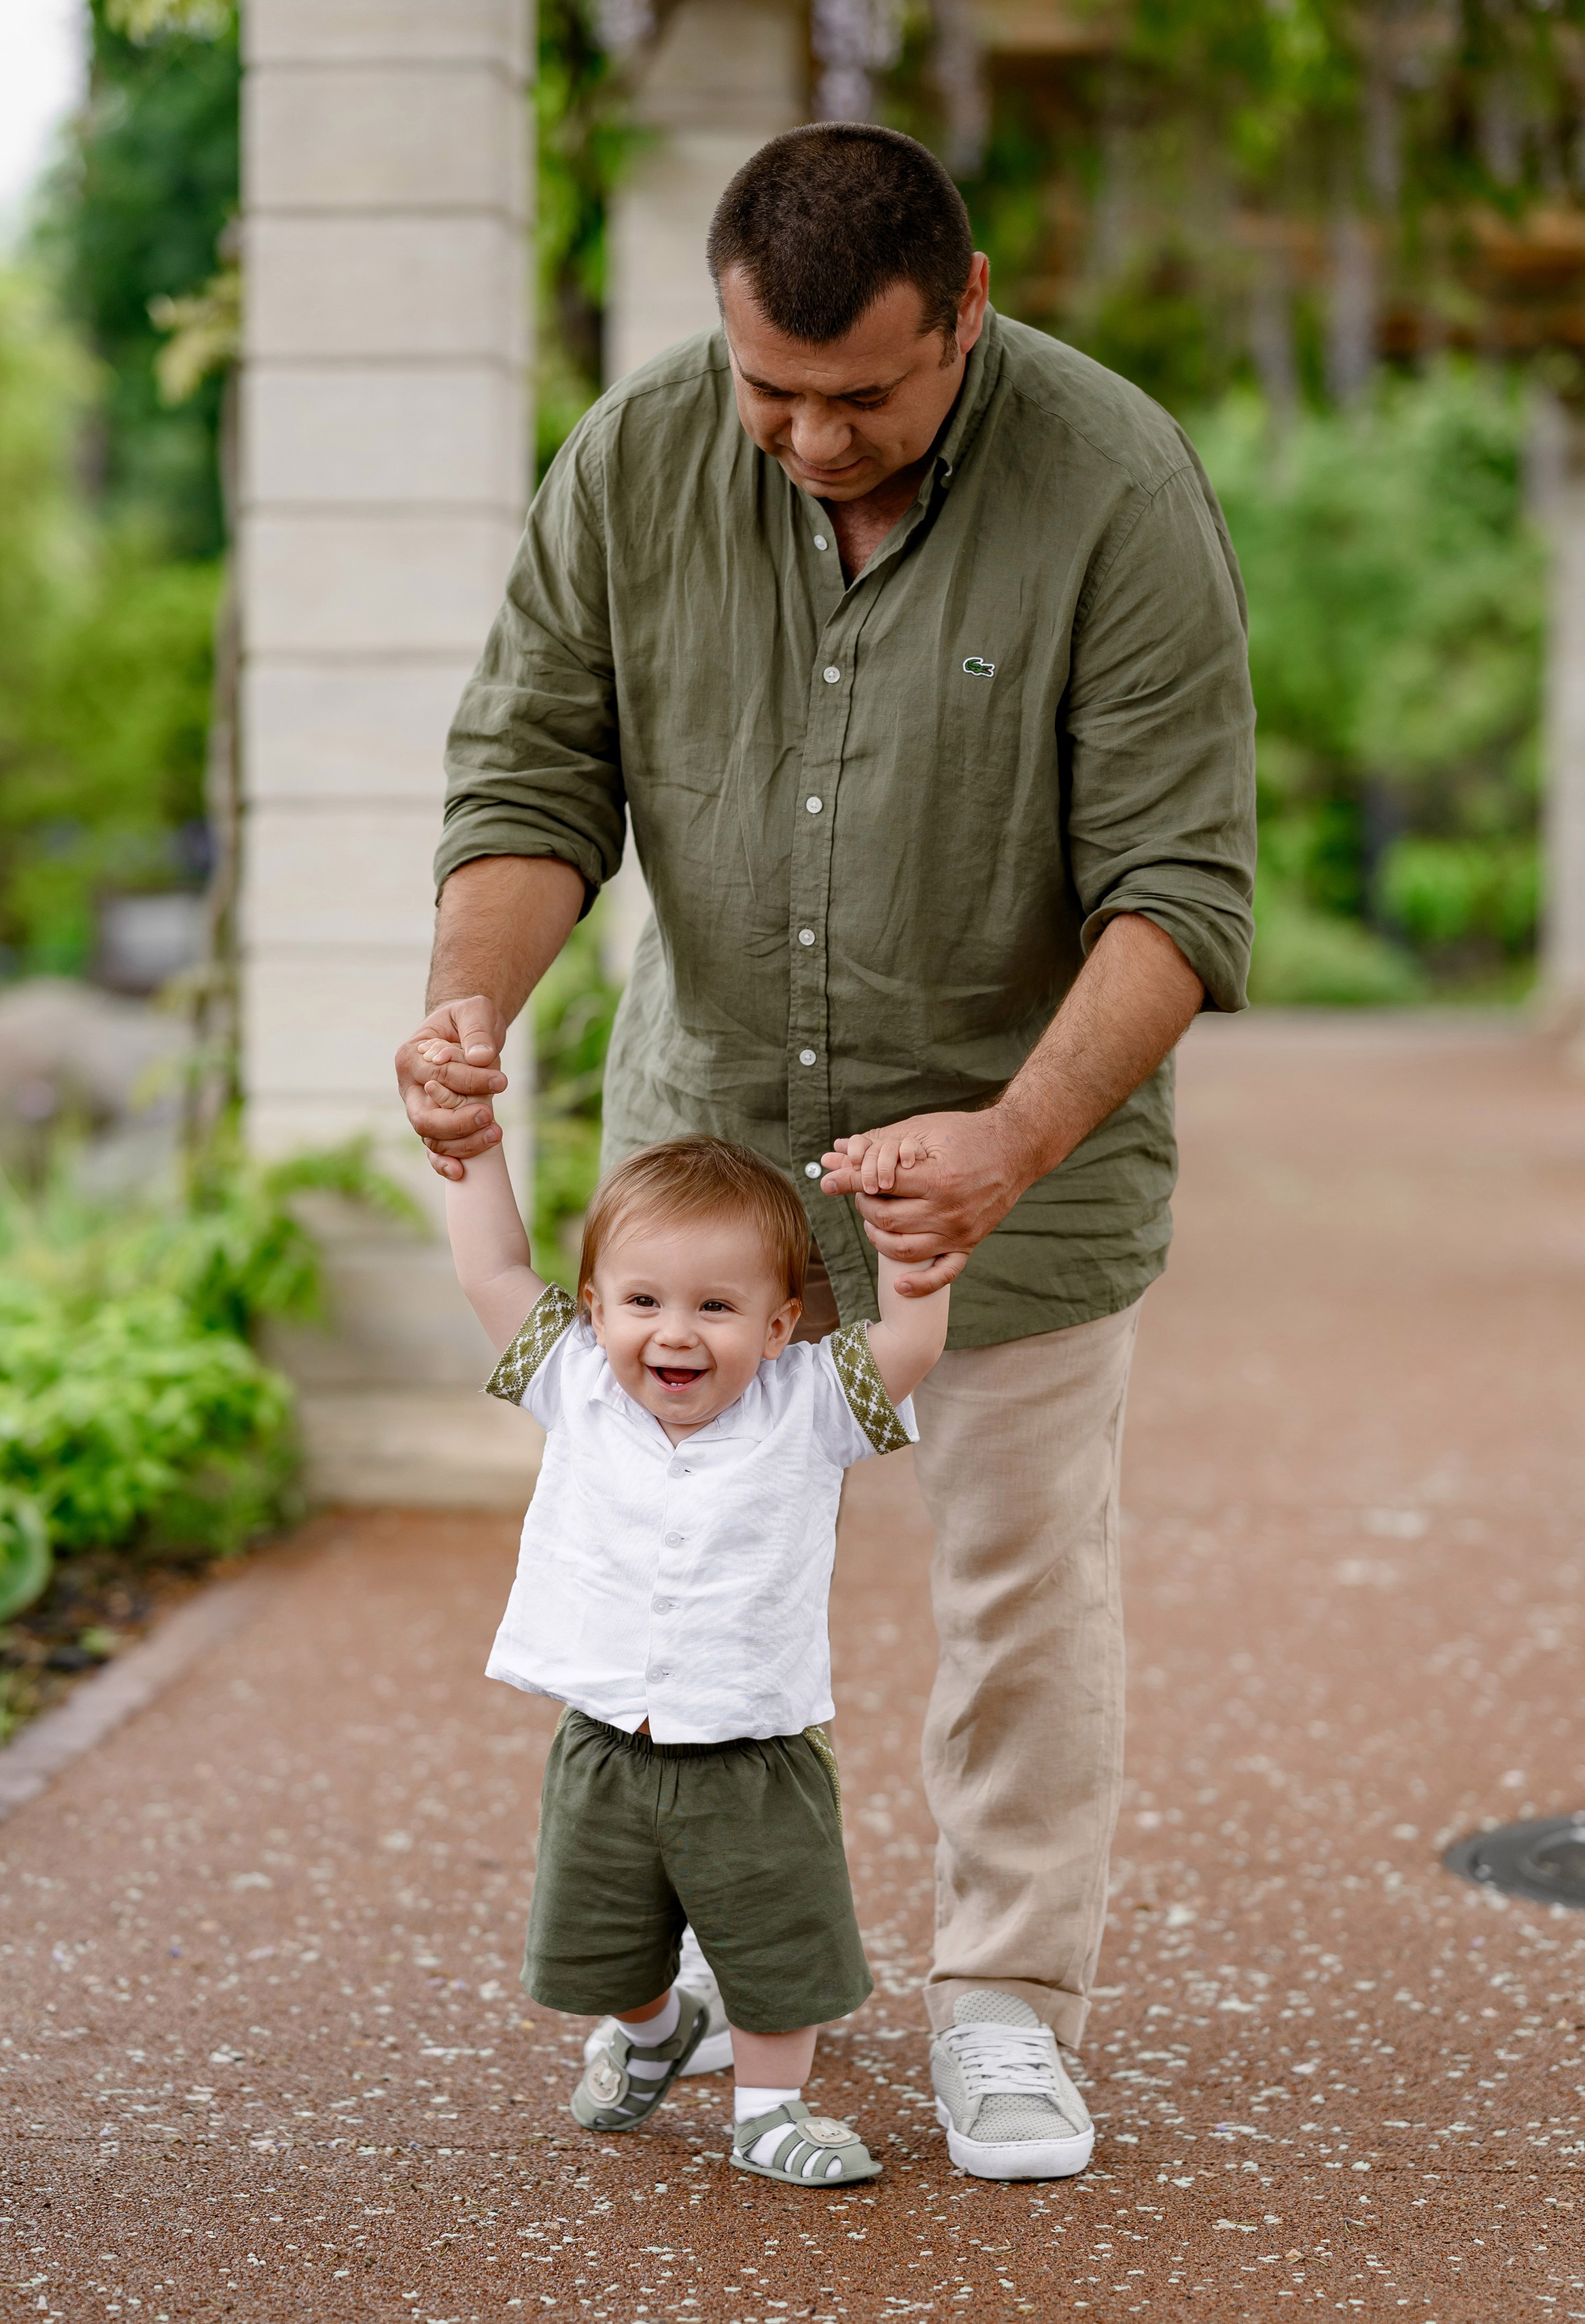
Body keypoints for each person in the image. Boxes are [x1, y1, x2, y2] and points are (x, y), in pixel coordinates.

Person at [396, 122, 1256, 2180]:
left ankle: (1005, 2005)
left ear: (964, 315)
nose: (801, 434)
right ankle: (700, 1969)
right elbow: (533, 768)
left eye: (858, 394)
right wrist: (470, 1013)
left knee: (1018, 1594)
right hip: (702, 1181)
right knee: (656, 1606)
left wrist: (1020, 1138)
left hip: (1014, 1158)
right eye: (765, 386)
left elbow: (1182, 888)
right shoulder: (636, 455)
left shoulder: (1115, 482)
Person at [440, 1116, 949, 2183]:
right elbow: (490, 1266)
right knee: (599, 1950)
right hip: (606, 1741)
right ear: (594, 1311)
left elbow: (909, 1346)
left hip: (754, 1750)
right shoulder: (573, 1386)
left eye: (716, 1307)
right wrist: (476, 1147)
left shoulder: (807, 1406)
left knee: (779, 1951)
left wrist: (911, 1256)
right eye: (643, 1302)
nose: (675, 1334)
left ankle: (769, 2113)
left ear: (778, 1328)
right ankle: (658, 2026)